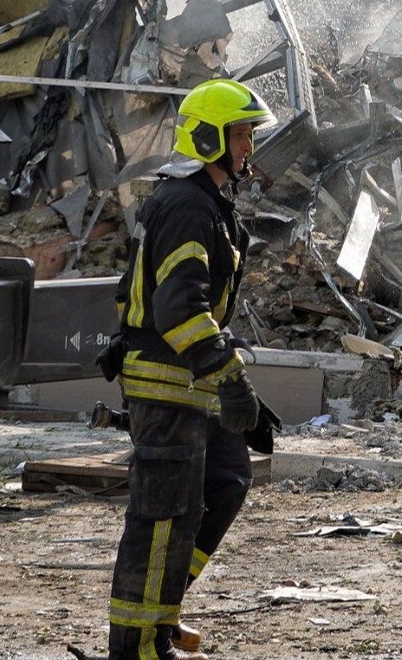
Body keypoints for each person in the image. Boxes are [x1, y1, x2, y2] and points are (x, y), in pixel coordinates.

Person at [105, 79, 274, 660]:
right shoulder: (185, 205)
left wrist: (235, 387)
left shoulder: (209, 205)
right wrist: (230, 379)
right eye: (241, 133)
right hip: (166, 381)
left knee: (226, 484)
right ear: (209, 139)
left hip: (192, 382)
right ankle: (138, 645)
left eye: (250, 132)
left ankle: (164, 613)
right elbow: (180, 309)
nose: (249, 144)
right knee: (161, 517)